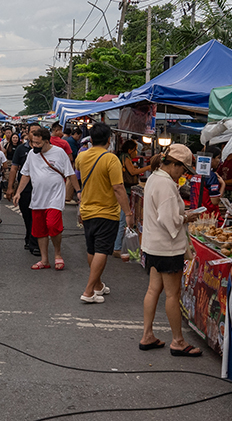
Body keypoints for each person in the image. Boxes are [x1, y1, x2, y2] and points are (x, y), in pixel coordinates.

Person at [140, 144, 202, 357]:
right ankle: (178, 341)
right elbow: (169, 220)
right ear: (174, 164)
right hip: (167, 248)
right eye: (183, 169)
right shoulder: (166, 184)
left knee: (152, 290)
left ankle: (147, 334)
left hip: (153, 245)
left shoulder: (153, 178)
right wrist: (186, 217)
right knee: (172, 295)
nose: (183, 174)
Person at [75, 123, 132, 303]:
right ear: (109, 140)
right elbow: (118, 188)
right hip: (107, 211)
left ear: (91, 140)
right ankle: (88, 290)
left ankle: (98, 284)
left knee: (92, 248)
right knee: (102, 250)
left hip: (87, 210)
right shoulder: (111, 159)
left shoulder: (81, 157)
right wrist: (128, 212)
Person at [13, 127, 79, 271]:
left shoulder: (59, 153)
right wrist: (18, 192)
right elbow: (26, 174)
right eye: (32, 143)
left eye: (37, 143)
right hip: (38, 198)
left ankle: (57, 254)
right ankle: (44, 260)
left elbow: (70, 174)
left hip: (55, 196)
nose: (34, 146)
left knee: (53, 225)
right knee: (40, 230)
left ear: (46, 141)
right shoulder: (31, 154)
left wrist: (78, 191)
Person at [6, 123, 42, 256]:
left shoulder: (46, 149)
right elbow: (14, 168)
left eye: (38, 132)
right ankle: (29, 236)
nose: (35, 135)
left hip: (41, 189)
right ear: (28, 133)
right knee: (27, 216)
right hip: (25, 188)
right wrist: (10, 188)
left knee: (36, 216)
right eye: (33, 132)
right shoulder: (21, 149)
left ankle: (35, 243)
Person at [113, 140, 151, 257]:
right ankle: (117, 247)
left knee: (121, 219)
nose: (136, 153)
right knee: (122, 219)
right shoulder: (125, 157)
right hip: (124, 190)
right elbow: (133, 171)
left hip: (125, 189)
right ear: (130, 150)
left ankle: (116, 245)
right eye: (135, 150)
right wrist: (149, 167)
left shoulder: (122, 157)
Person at [189, 145, 225, 219]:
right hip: (208, 217)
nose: (219, 161)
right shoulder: (211, 176)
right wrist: (223, 185)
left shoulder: (195, 174)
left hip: (194, 214)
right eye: (218, 157)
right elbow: (215, 201)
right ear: (211, 159)